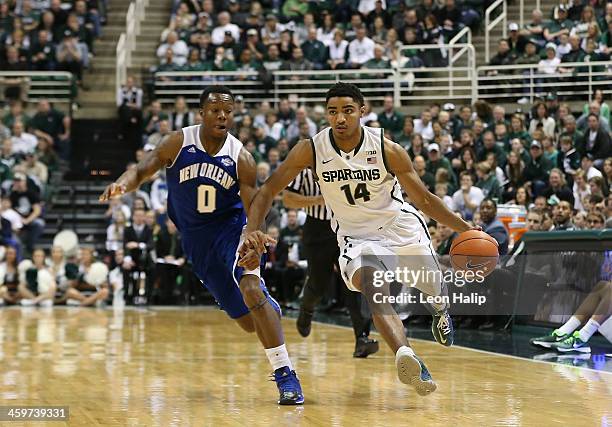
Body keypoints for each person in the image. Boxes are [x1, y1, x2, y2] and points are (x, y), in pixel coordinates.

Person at [239, 83, 477, 396]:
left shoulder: (387, 148)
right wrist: (252, 228)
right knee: (373, 288)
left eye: (347, 111)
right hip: (356, 237)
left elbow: (425, 200)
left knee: (434, 288)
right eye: (333, 112)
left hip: (400, 228)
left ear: (362, 112)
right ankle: (406, 355)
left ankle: (440, 309)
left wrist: (465, 228)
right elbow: (269, 189)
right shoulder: (311, 148)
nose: (339, 118)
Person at [99, 86, 303, 405]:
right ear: (201, 114)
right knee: (249, 323)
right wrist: (122, 185)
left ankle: (286, 375)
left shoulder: (241, 158)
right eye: (215, 110)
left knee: (251, 290)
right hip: (196, 240)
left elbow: (255, 206)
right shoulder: (177, 143)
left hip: (231, 230)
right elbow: (141, 169)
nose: (222, 116)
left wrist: (255, 233)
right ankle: (265, 305)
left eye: (228, 111)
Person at [283, 168, 378, 358]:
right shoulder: (305, 171)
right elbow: (287, 198)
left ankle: (362, 338)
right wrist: (317, 200)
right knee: (319, 284)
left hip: (347, 226)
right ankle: (307, 309)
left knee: (354, 282)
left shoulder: (349, 165)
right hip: (317, 229)